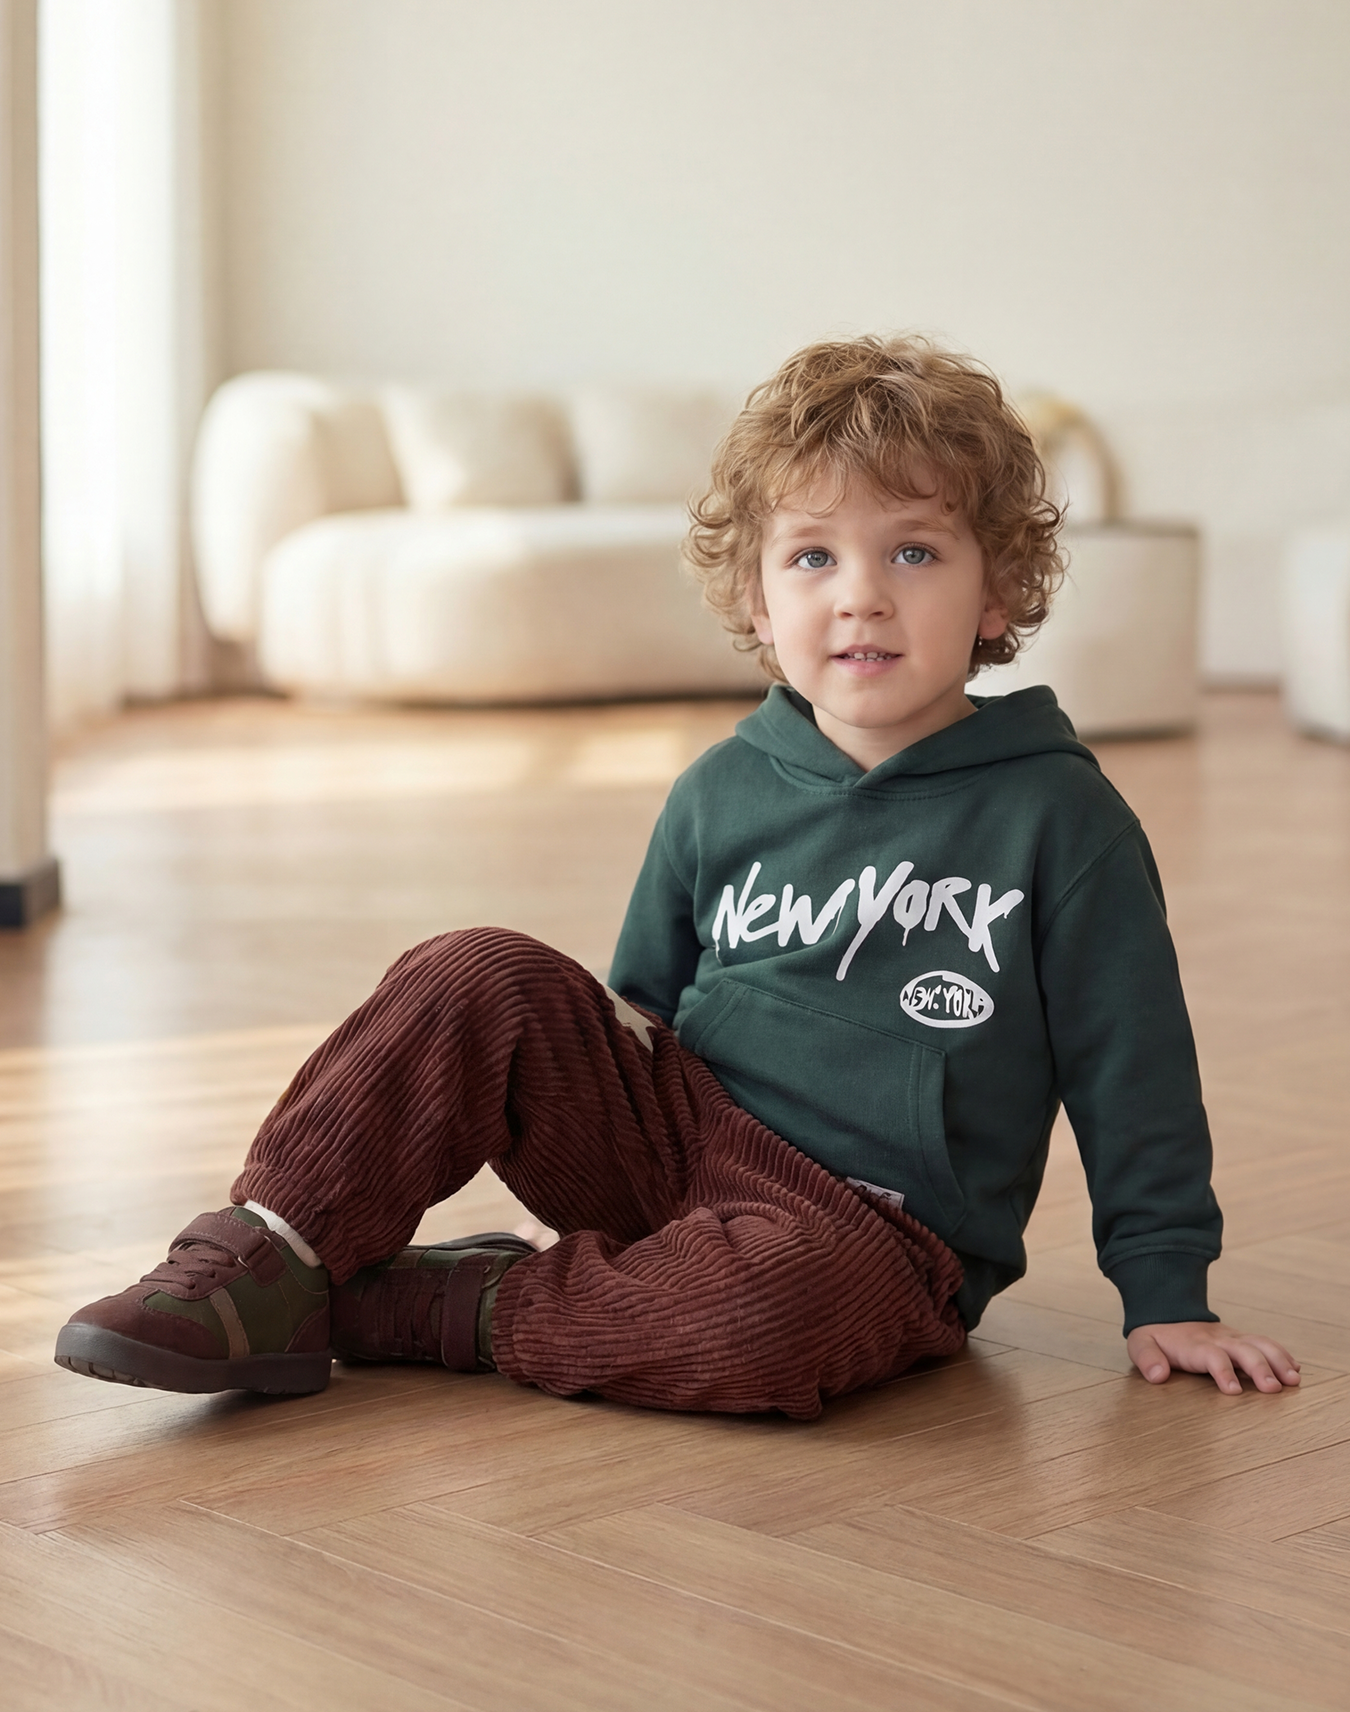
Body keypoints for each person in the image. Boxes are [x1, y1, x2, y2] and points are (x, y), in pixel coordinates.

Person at [54, 335, 1299, 1419]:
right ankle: (266, 1259)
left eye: (914, 553)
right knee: (479, 971)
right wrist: (579, 1131)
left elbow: (1134, 1068)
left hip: (868, 1237)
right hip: (678, 1145)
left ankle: (442, 1306)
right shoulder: (720, 788)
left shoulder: (1059, 817)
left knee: (757, 1321)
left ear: (999, 591)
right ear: (755, 597)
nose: (861, 597)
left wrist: (1166, 1291)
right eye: (812, 558)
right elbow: (632, 1015)